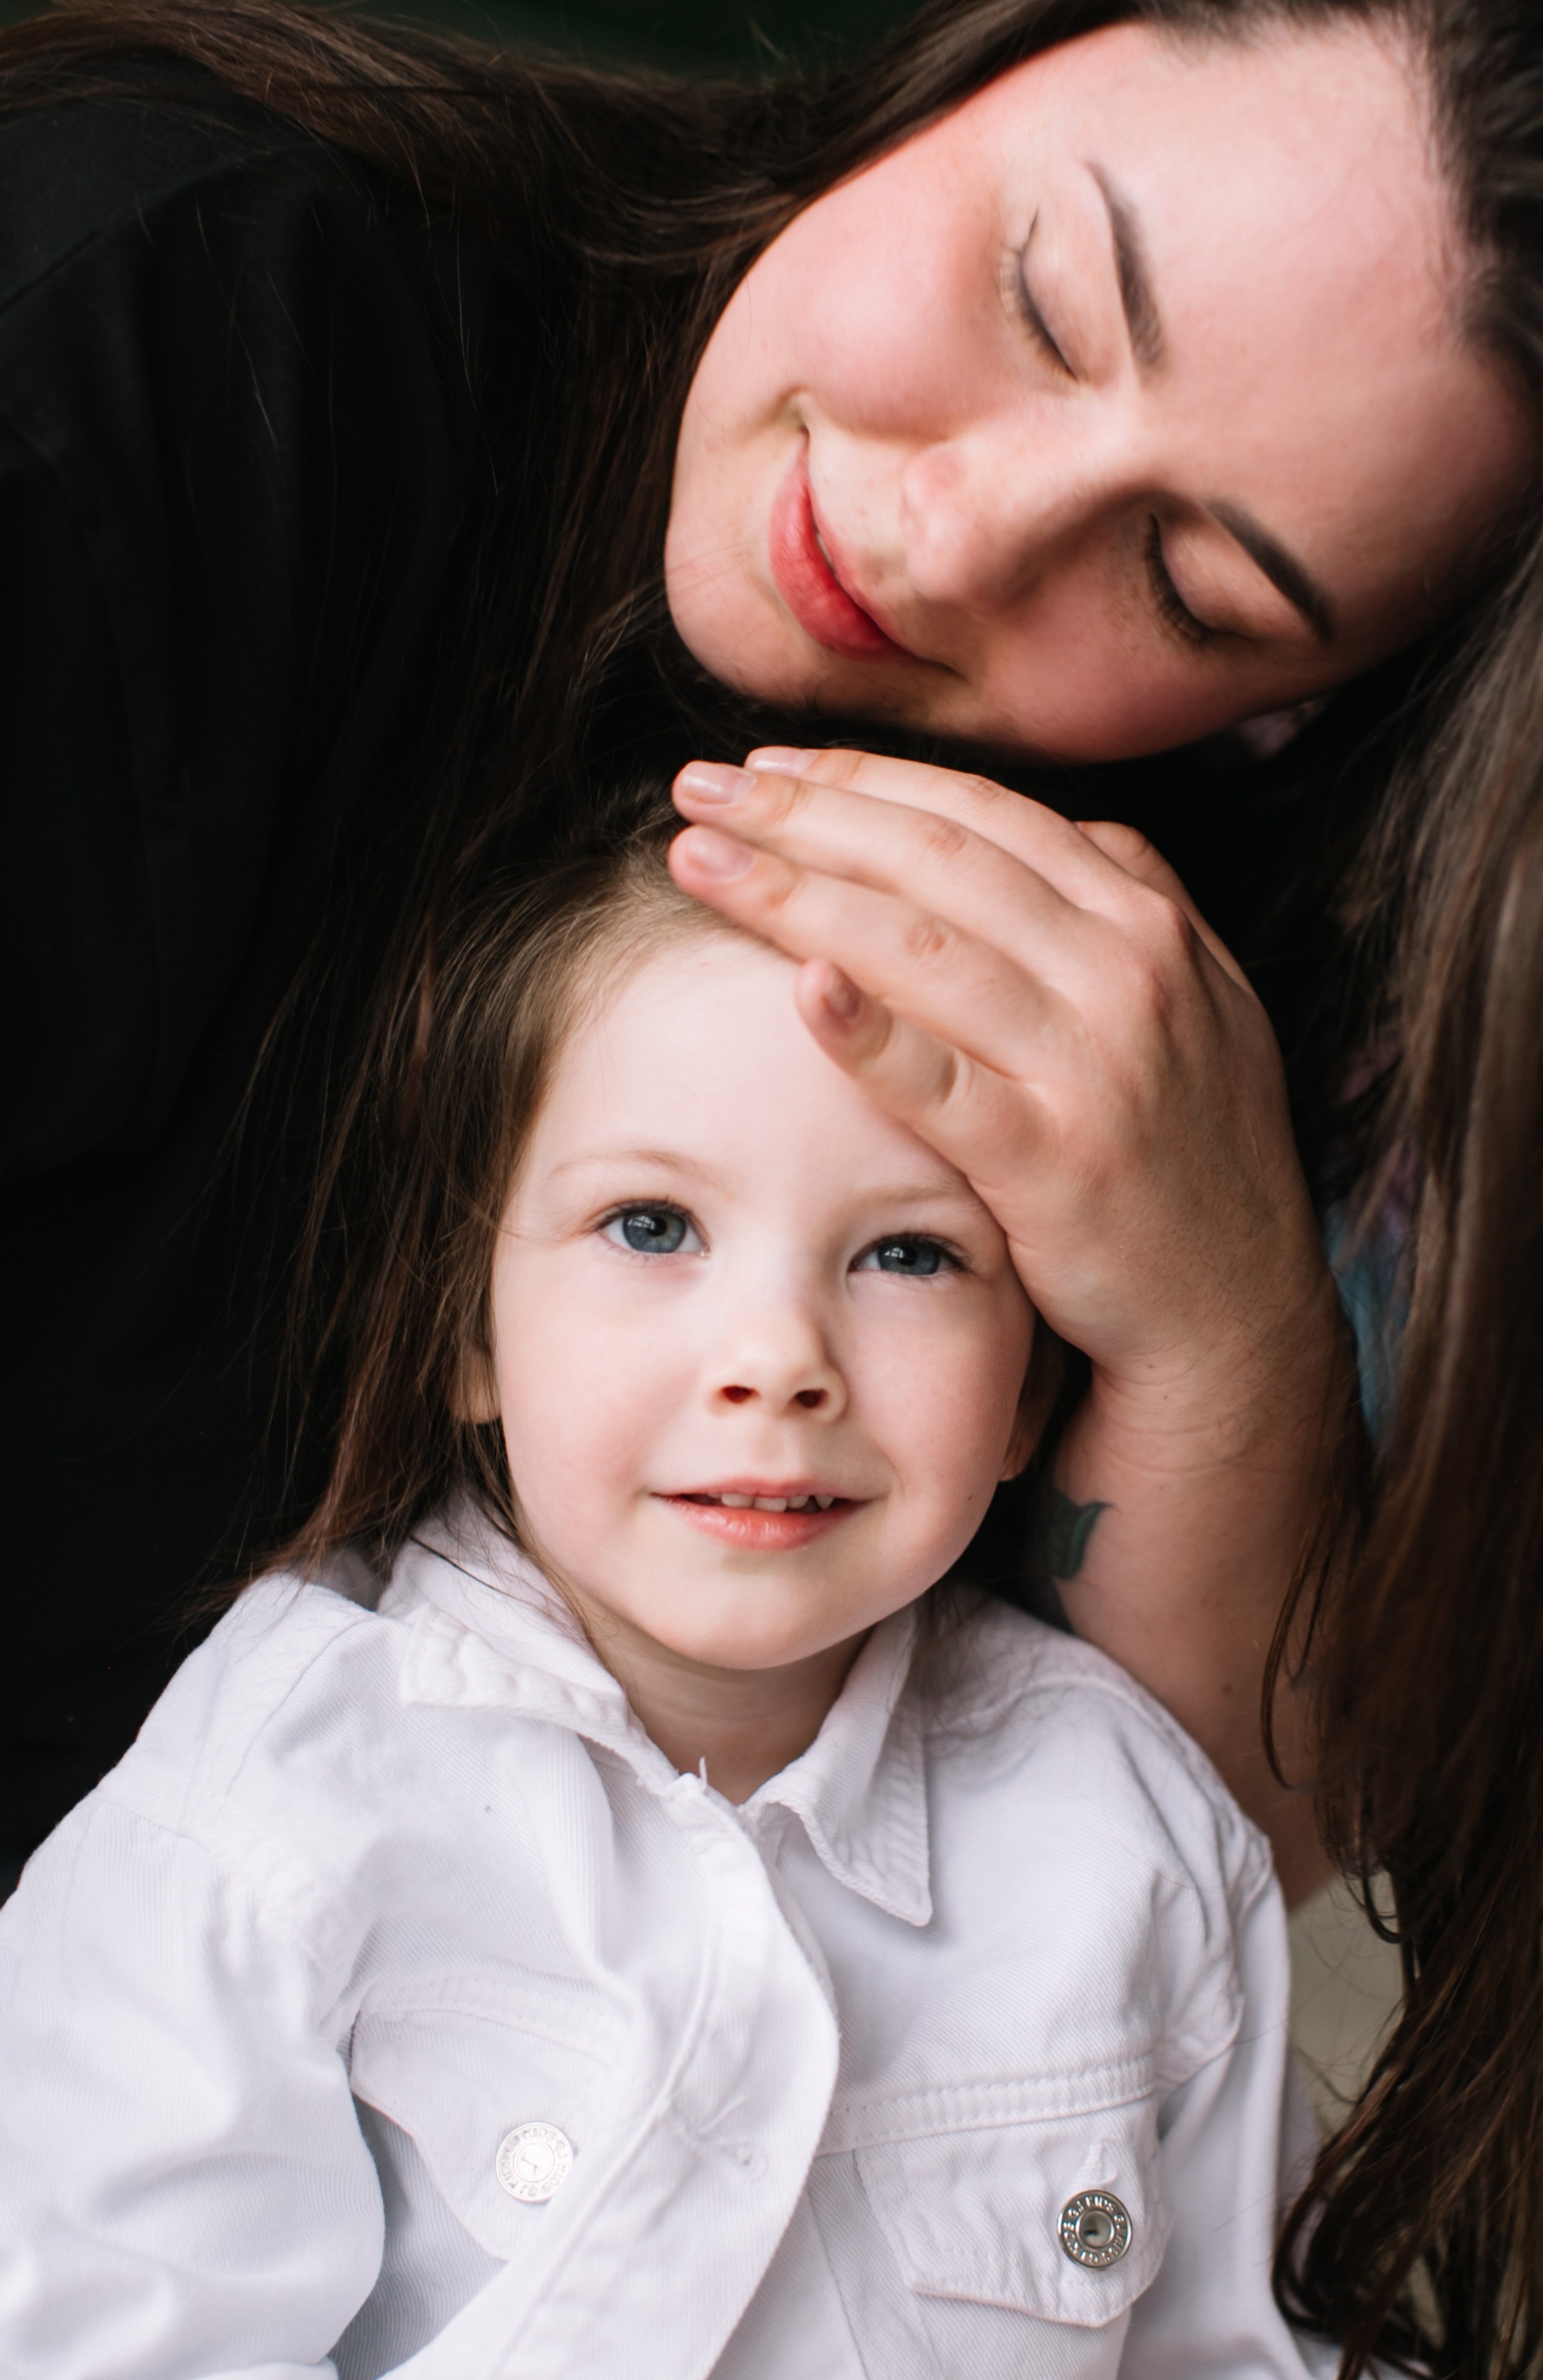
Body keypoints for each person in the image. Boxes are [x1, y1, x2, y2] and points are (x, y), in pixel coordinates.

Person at [0, 0, 1543, 2366]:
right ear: (991, 54)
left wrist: (1218, 1310)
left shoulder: (1130, 948)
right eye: (1045, 297)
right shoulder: (171, 347)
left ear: (1291, 714)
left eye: (1190, 586)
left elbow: (1101, 1953)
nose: (950, 536)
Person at [0, 799, 1335, 2380]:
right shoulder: (273, 1806)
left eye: (908, 1255)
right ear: (467, 1334)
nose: (778, 1359)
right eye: (651, 1227)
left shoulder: (1127, 1834)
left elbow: (1240, 2348)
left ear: (1026, 1395)